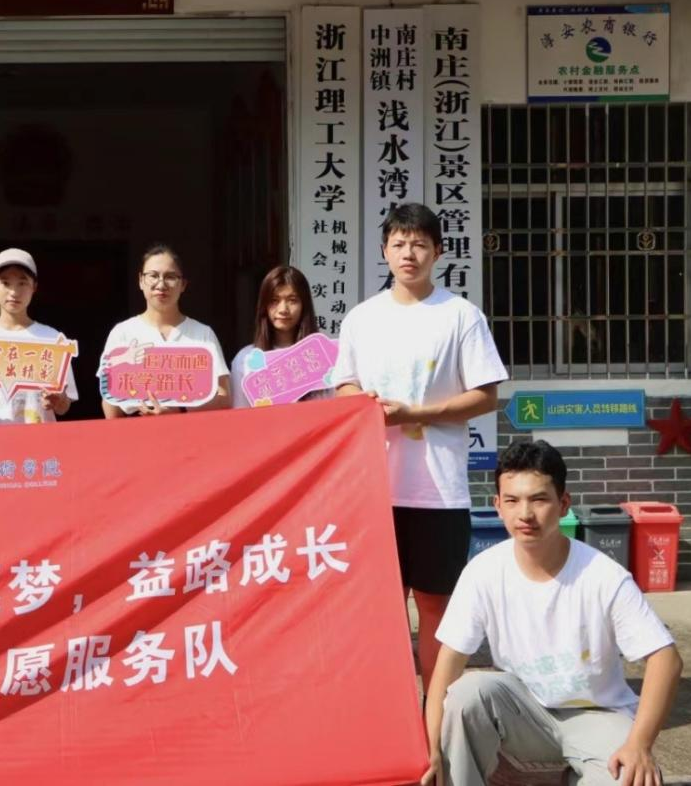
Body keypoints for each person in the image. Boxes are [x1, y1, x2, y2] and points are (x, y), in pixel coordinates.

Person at [422, 440, 682, 786]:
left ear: (564, 504)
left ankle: (576, 775)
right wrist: (433, 749)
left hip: (597, 714)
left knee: (633, 779)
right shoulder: (483, 571)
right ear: (498, 505)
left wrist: (640, 744)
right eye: (512, 500)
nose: (525, 514)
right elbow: (447, 666)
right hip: (521, 714)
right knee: (468, 693)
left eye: (539, 499)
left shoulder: (603, 575)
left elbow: (666, 659)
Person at [330, 203, 508, 692]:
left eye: (420, 244)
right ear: (385, 250)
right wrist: (363, 402)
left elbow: (486, 396)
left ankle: (435, 710)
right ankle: (386, 711)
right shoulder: (362, 319)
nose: (409, 253)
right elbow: (343, 385)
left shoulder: (461, 316)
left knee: (436, 607)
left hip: (439, 492)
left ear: (438, 252)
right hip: (373, 490)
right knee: (382, 610)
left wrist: (415, 414)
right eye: (399, 244)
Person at [0, 247, 77, 425]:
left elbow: (63, 408)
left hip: (39, 440)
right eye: (5, 283)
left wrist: (59, 400)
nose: (14, 292)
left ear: (34, 287)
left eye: (22, 283)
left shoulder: (53, 339)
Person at [101, 244, 231, 417]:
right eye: (153, 276)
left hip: (189, 429)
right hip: (135, 428)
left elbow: (225, 397)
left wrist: (179, 410)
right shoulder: (122, 332)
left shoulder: (203, 334)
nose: (161, 284)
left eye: (170, 277)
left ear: (183, 284)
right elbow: (109, 401)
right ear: (141, 281)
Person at [229, 265, 320, 408]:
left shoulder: (322, 357)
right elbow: (239, 414)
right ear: (264, 306)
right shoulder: (245, 359)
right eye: (274, 301)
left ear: (304, 305)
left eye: (292, 300)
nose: (283, 309)